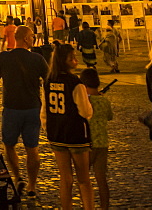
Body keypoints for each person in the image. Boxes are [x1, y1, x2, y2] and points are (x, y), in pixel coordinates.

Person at [0, 25, 48, 200]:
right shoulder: (37, 59)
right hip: (32, 108)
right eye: (31, 36)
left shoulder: (4, 57)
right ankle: (31, 185)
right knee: (32, 148)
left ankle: (17, 177)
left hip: (11, 107)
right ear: (25, 38)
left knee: (9, 145)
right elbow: (49, 79)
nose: (33, 39)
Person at [45, 42, 94, 210]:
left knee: (65, 178)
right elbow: (85, 112)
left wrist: (49, 128)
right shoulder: (76, 83)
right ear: (64, 60)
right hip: (76, 134)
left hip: (56, 134)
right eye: (72, 57)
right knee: (83, 179)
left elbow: (45, 111)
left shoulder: (49, 81)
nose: (75, 59)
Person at [80, 68, 113, 210]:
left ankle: (88, 205)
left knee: (84, 180)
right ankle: (104, 206)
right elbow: (109, 116)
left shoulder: (84, 102)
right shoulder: (104, 101)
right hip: (102, 144)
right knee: (101, 180)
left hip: (87, 144)